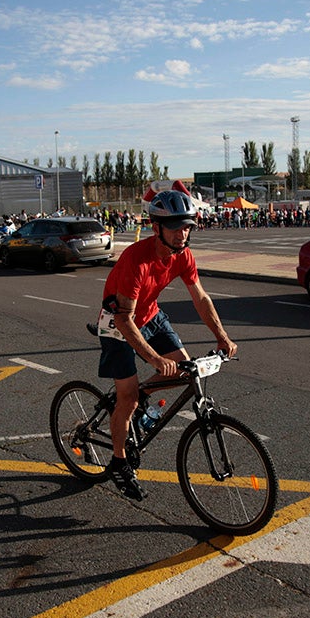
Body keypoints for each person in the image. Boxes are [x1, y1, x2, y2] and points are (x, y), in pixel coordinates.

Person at [96, 190, 237, 501]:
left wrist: (221, 336)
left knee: (184, 371)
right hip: (118, 321)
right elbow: (124, 320)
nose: (182, 233)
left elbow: (200, 298)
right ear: (156, 227)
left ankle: (140, 395)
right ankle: (118, 460)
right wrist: (156, 359)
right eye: (175, 226)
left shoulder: (183, 254)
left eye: (187, 226)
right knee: (128, 397)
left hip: (151, 315)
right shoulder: (136, 259)